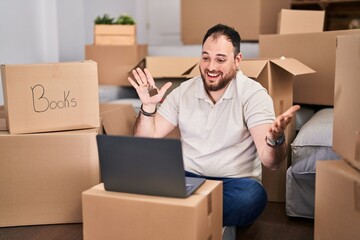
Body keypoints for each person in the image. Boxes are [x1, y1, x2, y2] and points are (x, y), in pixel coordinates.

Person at [128, 23, 299, 229]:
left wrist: (275, 139)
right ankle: (193, 216)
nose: (210, 67)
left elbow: (271, 162)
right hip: (186, 178)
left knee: (252, 198)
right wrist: (147, 107)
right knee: (136, 178)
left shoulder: (253, 95)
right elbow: (145, 140)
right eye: (205, 57)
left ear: (237, 61)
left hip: (234, 184)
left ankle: (172, 215)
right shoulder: (183, 92)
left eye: (220, 59)